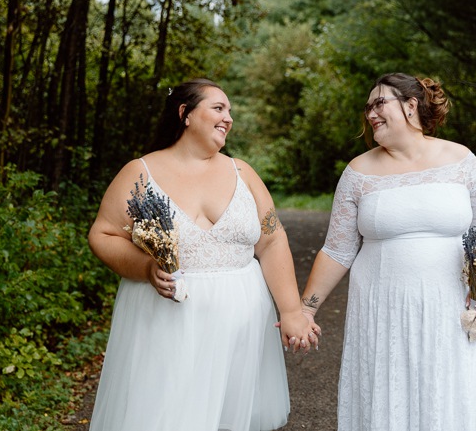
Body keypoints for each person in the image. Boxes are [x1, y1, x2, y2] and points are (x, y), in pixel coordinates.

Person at [87, 78, 316, 431]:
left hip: (242, 322)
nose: (229, 118)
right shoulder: (140, 173)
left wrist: (291, 311)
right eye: (219, 108)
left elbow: (271, 241)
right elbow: (102, 235)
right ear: (185, 114)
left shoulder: (242, 172)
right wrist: (146, 266)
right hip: (166, 322)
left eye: (230, 112)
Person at [300, 73, 476, 430]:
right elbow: (337, 250)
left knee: (454, 397)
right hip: (383, 312)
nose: (370, 114)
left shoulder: (461, 160)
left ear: (411, 105)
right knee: (389, 399)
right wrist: (305, 310)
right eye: (368, 107)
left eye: (379, 103)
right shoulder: (358, 172)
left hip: (452, 307)